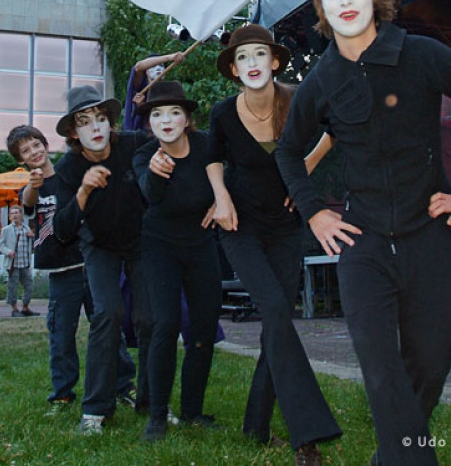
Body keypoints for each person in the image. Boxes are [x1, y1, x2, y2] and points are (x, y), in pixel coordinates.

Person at [275, 0, 451, 465]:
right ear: (321, 10)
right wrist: (315, 210)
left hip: (430, 236)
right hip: (363, 242)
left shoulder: (424, 56)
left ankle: (392, 455)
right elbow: (287, 151)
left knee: (429, 366)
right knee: (379, 365)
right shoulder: (320, 81)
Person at [207, 24, 341, 465]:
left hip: (286, 226)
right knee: (278, 312)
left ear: (275, 61)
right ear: (233, 68)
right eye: (242, 58)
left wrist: (304, 166)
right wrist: (221, 195)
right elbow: (212, 158)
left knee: (277, 327)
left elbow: (335, 125)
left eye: (258, 56)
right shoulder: (224, 112)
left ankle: (257, 426)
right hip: (241, 226)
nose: (251, 65)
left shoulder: (296, 98)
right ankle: (307, 436)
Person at [52, 85, 152, 435]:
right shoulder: (67, 168)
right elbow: (62, 229)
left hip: (141, 242)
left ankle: (152, 402)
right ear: (73, 133)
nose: (95, 127)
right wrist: (84, 190)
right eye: (84, 122)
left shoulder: (134, 143)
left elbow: (174, 145)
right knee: (106, 313)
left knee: (149, 317)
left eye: (100, 118)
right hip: (99, 247)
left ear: (110, 123)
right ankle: (95, 409)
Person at [133, 81, 221, 442]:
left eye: (173, 112)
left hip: (201, 244)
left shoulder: (206, 146)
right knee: (165, 324)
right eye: (156, 114)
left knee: (203, 327)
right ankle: (156, 415)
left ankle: (193, 412)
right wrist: (155, 172)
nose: (165, 120)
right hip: (159, 246)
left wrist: (221, 199)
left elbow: (229, 176)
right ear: (149, 123)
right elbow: (151, 198)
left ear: (187, 119)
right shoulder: (144, 155)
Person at [8, 124, 87, 414]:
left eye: (36, 145)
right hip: (59, 269)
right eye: (26, 151)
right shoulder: (31, 189)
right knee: (61, 333)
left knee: (107, 326)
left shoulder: (70, 175)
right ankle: (63, 392)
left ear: (45, 144)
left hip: (90, 262)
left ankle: (119, 385)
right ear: (22, 160)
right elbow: (27, 204)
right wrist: (33, 185)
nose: (34, 152)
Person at [123, 52, 185, 131]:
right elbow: (138, 67)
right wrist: (170, 57)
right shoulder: (140, 87)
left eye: (161, 65)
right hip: (139, 135)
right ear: (146, 71)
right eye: (153, 66)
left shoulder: (170, 90)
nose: (158, 68)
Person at [0, 204, 38, 317]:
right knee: (13, 286)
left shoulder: (27, 229)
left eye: (17, 213)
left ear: (21, 215)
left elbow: (34, 243)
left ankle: (25, 307)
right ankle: (14, 309)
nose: (15, 215)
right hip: (13, 264)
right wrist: (8, 252)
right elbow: (0, 245)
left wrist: (33, 236)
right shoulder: (6, 230)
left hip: (24, 263)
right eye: (12, 213)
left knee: (29, 285)